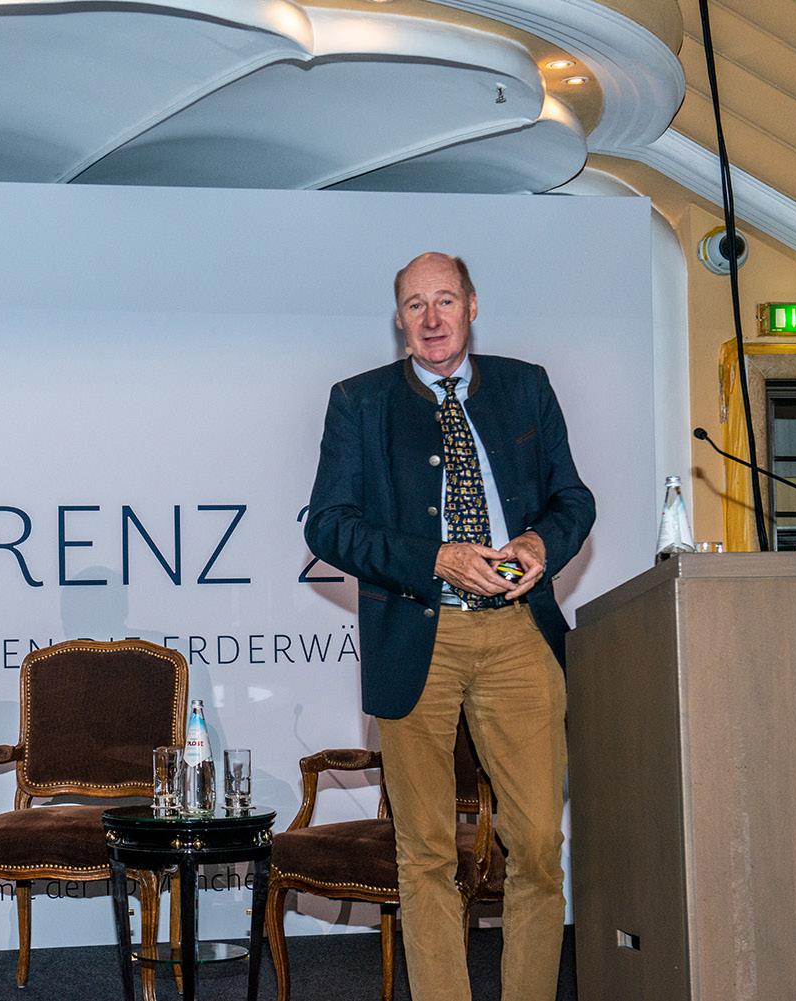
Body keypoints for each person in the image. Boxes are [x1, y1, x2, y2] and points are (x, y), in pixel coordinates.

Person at [303, 252, 594, 1001]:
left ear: (471, 305)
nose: (431, 319)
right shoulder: (359, 402)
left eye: (444, 301)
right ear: (399, 320)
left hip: (519, 633)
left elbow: (573, 499)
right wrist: (435, 558)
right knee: (426, 850)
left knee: (538, 845)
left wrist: (541, 544)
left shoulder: (526, 386)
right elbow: (329, 526)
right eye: (415, 305)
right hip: (415, 635)